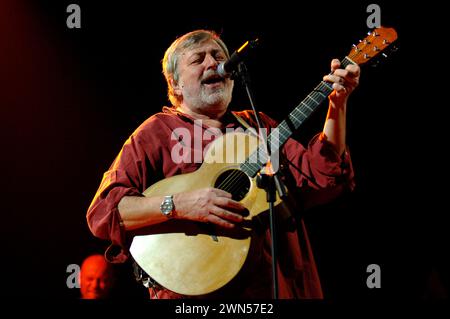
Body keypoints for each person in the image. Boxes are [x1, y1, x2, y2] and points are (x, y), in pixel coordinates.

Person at [87, 29, 360, 299]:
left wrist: (338, 103)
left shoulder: (258, 125)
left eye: (218, 56)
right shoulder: (156, 132)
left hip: (276, 285)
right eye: (198, 59)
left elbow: (324, 174)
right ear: (175, 84)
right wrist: (182, 204)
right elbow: (105, 212)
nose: (213, 63)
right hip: (196, 296)